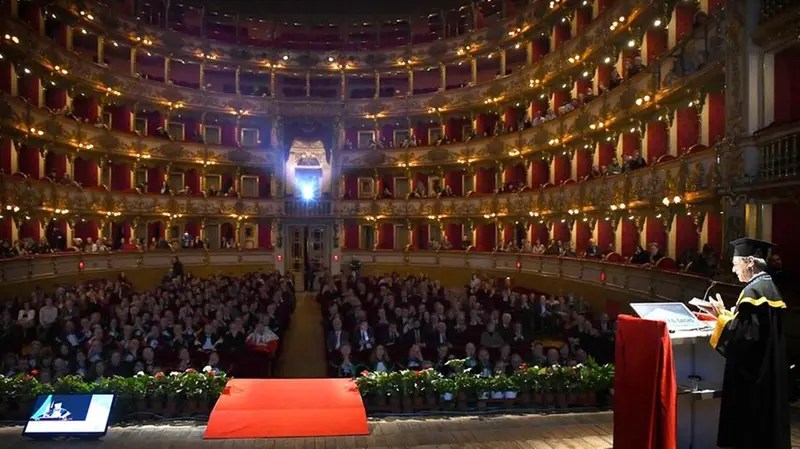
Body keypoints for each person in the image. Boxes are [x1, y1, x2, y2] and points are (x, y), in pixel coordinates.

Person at [707, 238, 789, 449]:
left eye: (736, 264)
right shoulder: (768, 288)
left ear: (750, 261)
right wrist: (726, 314)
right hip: (768, 372)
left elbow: (745, 339)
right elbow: (751, 328)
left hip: (754, 378)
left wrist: (721, 320)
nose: (734, 270)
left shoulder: (753, 293)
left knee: (750, 433)